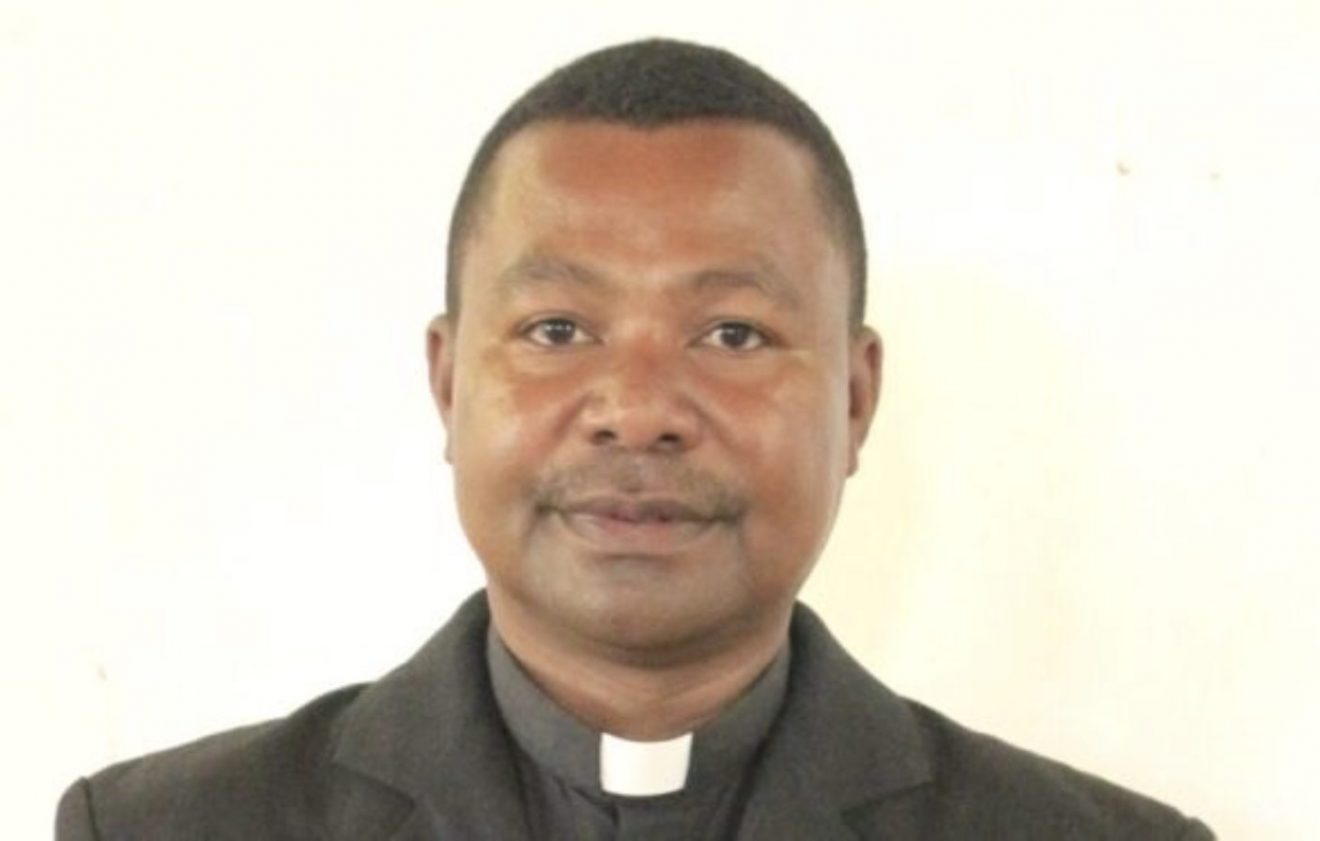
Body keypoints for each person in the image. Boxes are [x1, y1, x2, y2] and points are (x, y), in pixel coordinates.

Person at [56, 38, 1214, 839]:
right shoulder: (162, 829)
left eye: (732, 332)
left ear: (856, 400)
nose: (639, 407)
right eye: (558, 329)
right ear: (449, 382)